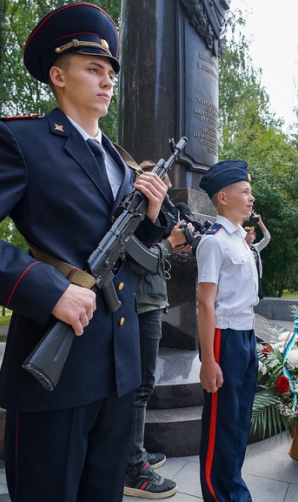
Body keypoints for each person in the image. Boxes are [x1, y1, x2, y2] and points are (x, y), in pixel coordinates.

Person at [0, 2, 169, 501]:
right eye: (93, 69)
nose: (107, 82)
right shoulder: (23, 140)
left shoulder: (121, 163)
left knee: (103, 493)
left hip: (118, 365)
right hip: (55, 365)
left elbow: (129, 250)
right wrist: (47, 289)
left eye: (110, 73)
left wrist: (153, 217)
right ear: (58, 75)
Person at [125, 166, 192, 499]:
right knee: (139, 386)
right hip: (140, 305)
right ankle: (132, 466)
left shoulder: (153, 213)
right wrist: (169, 243)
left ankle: (133, 453)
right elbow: (140, 259)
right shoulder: (134, 210)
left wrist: (172, 242)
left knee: (142, 385)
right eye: (160, 181)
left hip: (149, 302)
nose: (165, 187)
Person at [196, 160, 259, 502]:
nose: (251, 198)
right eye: (245, 192)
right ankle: (220, 495)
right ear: (223, 197)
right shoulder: (214, 242)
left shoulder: (239, 240)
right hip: (224, 338)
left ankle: (234, 488)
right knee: (221, 425)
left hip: (245, 335)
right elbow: (206, 304)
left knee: (237, 423)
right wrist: (208, 360)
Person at [245, 213, 271, 299]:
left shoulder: (256, 247)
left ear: (255, 237)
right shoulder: (241, 247)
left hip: (256, 277)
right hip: (246, 278)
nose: (249, 236)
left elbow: (267, 238)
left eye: (252, 234)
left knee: (255, 297)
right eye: (247, 234)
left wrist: (260, 223)